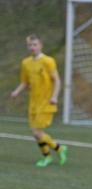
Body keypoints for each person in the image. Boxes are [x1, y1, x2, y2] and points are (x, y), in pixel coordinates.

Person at [10, 34, 68, 167]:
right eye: (30, 45)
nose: (32, 47)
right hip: (34, 103)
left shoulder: (48, 61)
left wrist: (54, 96)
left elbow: (57, 80)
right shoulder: (26, 63)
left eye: (35, 45)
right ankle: (49, 156)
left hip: (46, 102)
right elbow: (24, 82)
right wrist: (16, 92)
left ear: (41, 46)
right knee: (36, 134)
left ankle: (58, 149)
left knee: (37, 132)